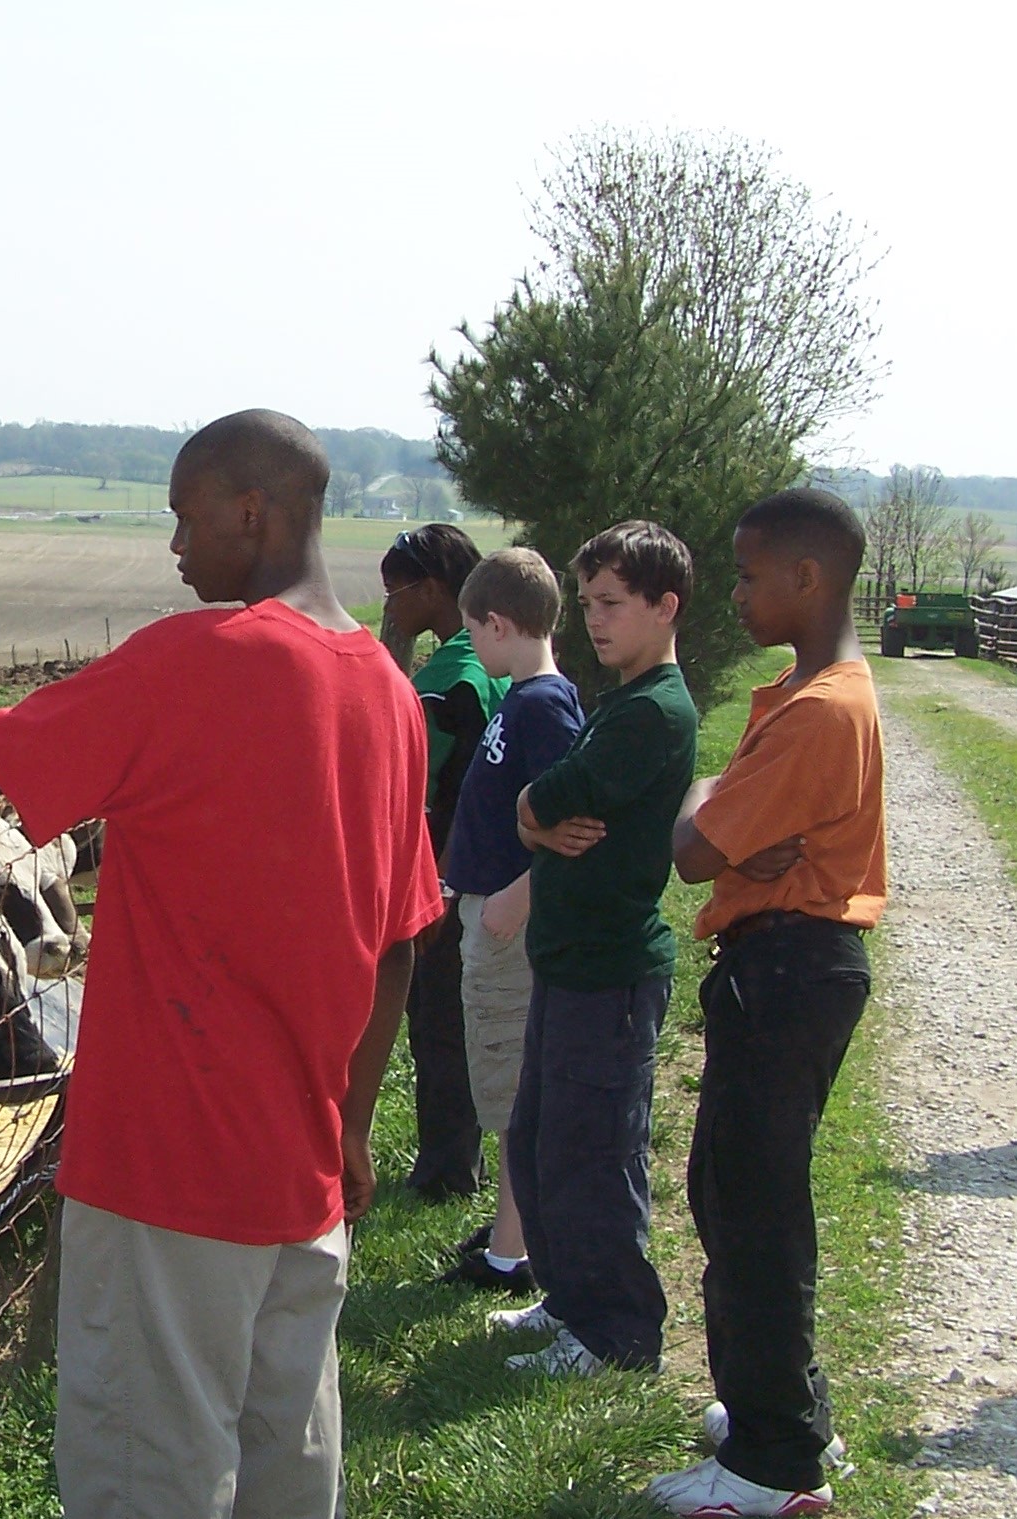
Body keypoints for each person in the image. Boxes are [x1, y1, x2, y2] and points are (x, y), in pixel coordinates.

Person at [0, 409, 440, 1518]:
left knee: (149, 1471)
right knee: (285, 1462)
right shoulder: (387, 692)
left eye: (182, 517)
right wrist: (345, 1124)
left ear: (249, 512)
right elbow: (397, 939)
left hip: (168, 1162)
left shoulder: (201, 661)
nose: (173, 547)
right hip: (299, 1174)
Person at [646, 489, 885, 1519]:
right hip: (785, 962)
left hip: (786, 965)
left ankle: (771, 1466)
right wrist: (714, 802)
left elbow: (692, 850)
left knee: (749, 1209)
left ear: (805, 578)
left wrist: (707, 808)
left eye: (745, 574)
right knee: (733, 1191)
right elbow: (709, 815)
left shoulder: (819, 709)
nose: (733, 591)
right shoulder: (804, 691)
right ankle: (777, 1406)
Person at [493, 520, 697, 1376]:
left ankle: (616, 1334)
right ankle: (570, 1299)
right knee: (541, 1137)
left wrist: (532, 813)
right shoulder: (617, 701)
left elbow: (548, 796)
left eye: (611, 603)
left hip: (610, 970)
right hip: (572, 962)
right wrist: (532, 816)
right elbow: (535, 808)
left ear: (664, 606)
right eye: (585, 604)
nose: (594, 621)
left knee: (593, 1152)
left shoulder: (650, 712)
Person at [435, 548, 583, 1294]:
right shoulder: (523, 696)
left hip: (505, 924)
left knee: (508, 1081)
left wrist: (514, 897)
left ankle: (510, 1256)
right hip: (485, 908)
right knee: (503, 1080)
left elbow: (574, 820)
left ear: (497, 624)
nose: (470, 648)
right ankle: (509, 1232)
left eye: (472, 632)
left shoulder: (543, 705)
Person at [380, 523, 509, 1200]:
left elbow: (409, 783)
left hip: (440, 873)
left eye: (394, 591)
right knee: (458, 1016)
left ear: (430, 589)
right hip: (485, 867)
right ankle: (462, 1159)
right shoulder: (488, 665)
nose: (389, 606)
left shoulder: (441, 681)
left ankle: (445, 1169)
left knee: (436, 1021)